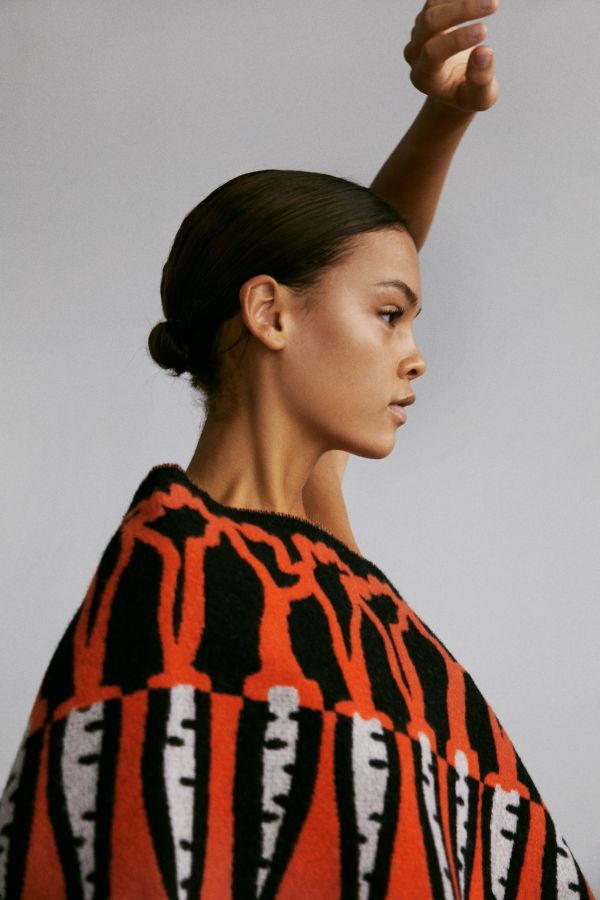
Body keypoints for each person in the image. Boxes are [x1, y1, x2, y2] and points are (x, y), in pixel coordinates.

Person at [0, 1, 594, 897]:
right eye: (390, 317)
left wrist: (445, 117)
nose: (415, 355)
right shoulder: (176, 583)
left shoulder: (319, 548)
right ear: (269, 313)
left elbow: (352, 259)